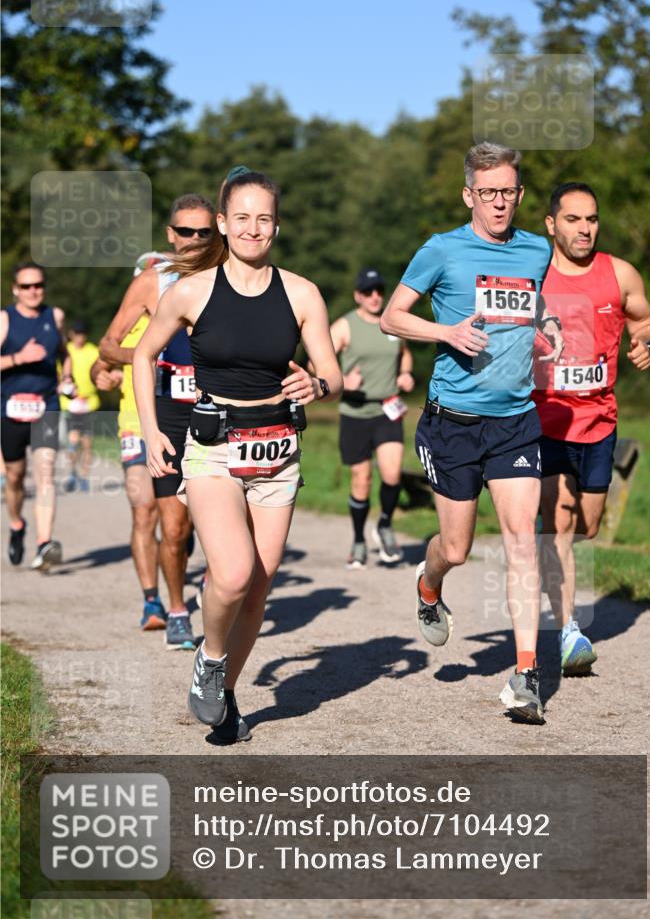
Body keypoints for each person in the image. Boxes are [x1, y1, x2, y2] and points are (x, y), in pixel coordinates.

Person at [133, 166, 342, 741]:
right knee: (231, 573)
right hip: (213, 449)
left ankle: (224, 698)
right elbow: (142, 355)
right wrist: (152, 430)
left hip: (278, 452)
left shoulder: (302, 294)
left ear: (276, 225)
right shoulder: (191, 291)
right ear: (222, 224)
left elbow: (331, 372)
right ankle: (210, 656)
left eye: (264, 218)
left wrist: (318, 386)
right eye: (242, 217)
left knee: (260, 584)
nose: (254, 228)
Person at [381, 142, 563, 724]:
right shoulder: (442, 250)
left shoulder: (537, 249)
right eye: (488, 193)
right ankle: (429, 584)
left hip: (514, 423)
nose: (499, 203)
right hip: (453, 424)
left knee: (519, 540)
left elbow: (536, 306)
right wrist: (447, 333)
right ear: (469, 196)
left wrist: (550, 327)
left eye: (508, 191)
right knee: (456, 549)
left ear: (520, 194)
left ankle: (526, 675)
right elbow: (392, 316)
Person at [534, 182, 650, 675]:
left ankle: (551, 553)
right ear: (551, 225)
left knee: (587, 525)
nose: (584, 229)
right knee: (559, 524)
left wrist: (644, 343)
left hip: (600, 422)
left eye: (591, 219)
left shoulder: (619, 273)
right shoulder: (533, 274)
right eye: (573, 220)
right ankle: (568, 631)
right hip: (544, 421)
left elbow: (647, 321)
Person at [98, 197, 215, 650]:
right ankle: (176, 609)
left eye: (204, 233)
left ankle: (212, 584)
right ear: (170, 234)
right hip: (167, 414)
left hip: (219, 410)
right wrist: (148, 357)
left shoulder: (226, 277)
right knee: (173, 523)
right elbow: (108, 345)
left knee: (221, 518)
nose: (193, 242)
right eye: (185, 232)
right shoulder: (152, 281)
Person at [92, 258, 165, 631]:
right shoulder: (131, 321)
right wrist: (104, 374)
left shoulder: (184, 315)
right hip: (134, 427)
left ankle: (187, 567)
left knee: (180, 520)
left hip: (178, 426)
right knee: (143, 510)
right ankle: (152, 600)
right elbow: (100, 360)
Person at [329, 268, 414, 568]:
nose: (375, 296)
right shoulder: (343, 326)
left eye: (379, 290)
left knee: (392, 474)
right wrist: (340, 378)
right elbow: (317, 361)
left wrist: (404, 373)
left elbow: (405, 352)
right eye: (368, 292)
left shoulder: (392, 323)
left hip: (388, 410)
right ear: (358, 296)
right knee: (361, 480)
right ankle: (358, 540)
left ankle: (386, 525)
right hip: (354, 413)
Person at [1, 262, 72, 571]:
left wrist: (67, 379)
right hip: (10, 407)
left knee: (45, 472)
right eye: (27, 286)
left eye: (38, 285)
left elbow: (64, 354)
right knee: (15, 477)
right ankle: (17, 524)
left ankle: (44, 543)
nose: (33, 291)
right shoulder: (5, 319)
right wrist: (19, 358)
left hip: (46, 405)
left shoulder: (54, 316)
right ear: (16, 289)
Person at [60, 320, 100, 493]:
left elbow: (100, 373)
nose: (80, 337)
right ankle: (71, 473)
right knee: (73, 440)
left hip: (89, 403)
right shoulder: (65, 350)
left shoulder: (93, 351)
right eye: (77, 333)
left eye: (82, 333)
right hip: (70, 403)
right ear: (71, 334)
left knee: (87, 443)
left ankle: (83, 476)